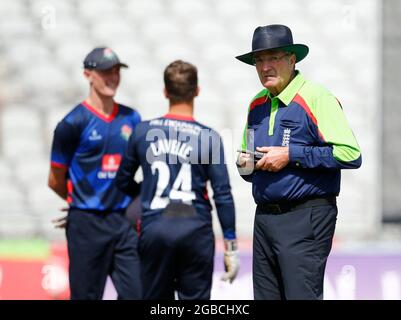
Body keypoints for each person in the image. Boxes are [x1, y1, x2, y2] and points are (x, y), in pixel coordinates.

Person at [235, 24, 362, 300]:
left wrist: (291, 155)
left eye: (273, 58)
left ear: (292, 60)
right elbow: (246, 166)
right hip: (265, 217)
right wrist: (246, 162)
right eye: (258, 60)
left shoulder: (317, 97)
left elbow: (351, 154)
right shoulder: (256, 104)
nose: (265, 66)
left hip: (306, 217)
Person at [115, 60, 239, 300]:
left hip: (155, 229)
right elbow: (222, 195)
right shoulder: (209, 137)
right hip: (196, 230)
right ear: (197, 91)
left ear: (165, 92)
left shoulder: (141, 131)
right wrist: (231, 246)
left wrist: (148, 191)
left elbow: (121, 181)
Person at [48, 47, 142, 300]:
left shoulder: (132, 119)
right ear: (88, 74)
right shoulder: (72, 123)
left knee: (139, 293)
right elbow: (55, 179)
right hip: (86, 225)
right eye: (105, 72)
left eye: (115, 71)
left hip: (124, 221)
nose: (112, 77)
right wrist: (80, 202)